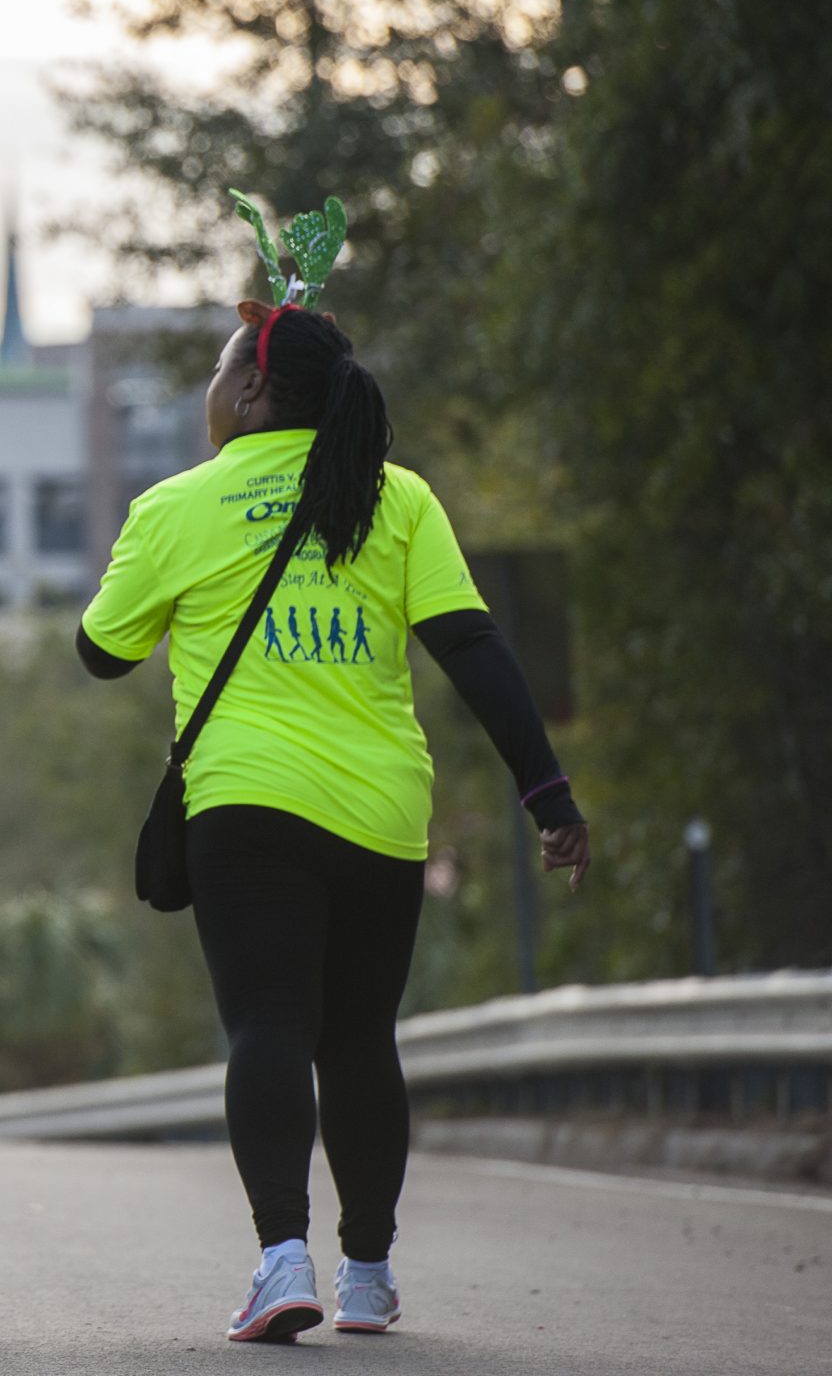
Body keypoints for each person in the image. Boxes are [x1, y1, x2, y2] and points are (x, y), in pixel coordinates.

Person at [78, 278, 590, 1343]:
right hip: (378, 814)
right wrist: (546, 792)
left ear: (255, 390)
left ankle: (280, 1263)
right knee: (359, 1039)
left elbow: (101, 651)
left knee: (266, 1024)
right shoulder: (396, 499)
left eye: (221, 369)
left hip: (245, 806)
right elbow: (474, 650)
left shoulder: (176, 506)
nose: (211, 389)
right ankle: (365, 1275)